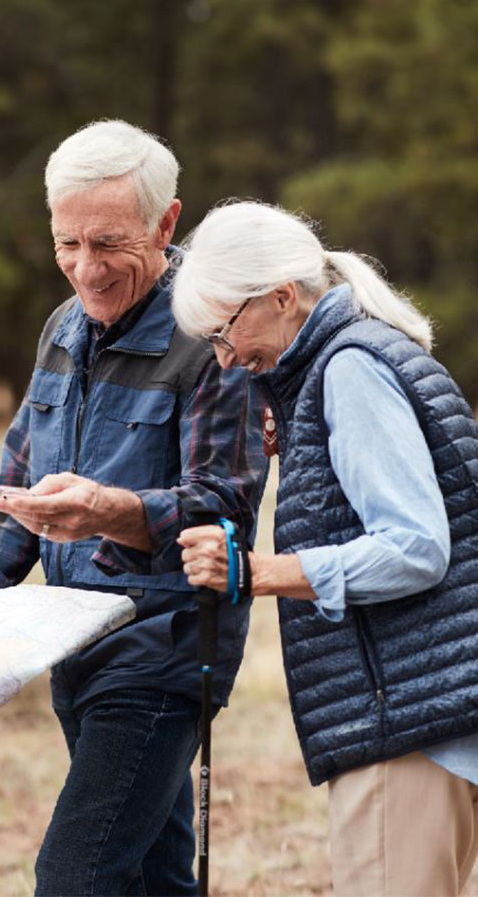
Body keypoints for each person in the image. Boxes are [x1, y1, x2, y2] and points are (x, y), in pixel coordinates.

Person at [0, 119, 267, 896]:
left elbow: (226, 506)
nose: (85, 268)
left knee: (75, 876)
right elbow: (17, 485)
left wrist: (112, 511)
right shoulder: (62, 328)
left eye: (108, 243)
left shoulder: (211, 335)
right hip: (69, 649)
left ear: (166, 222)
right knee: (152, 874)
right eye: (66, 242)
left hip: (162, 649)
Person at [172, 199, 478, 896]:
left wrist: (257, 572)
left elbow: (414, 548)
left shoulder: (349, 370)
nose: (224, 359)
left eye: (223, 331)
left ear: (282, 295)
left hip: (404, 727)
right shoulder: (360, 357)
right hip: (433, 713)